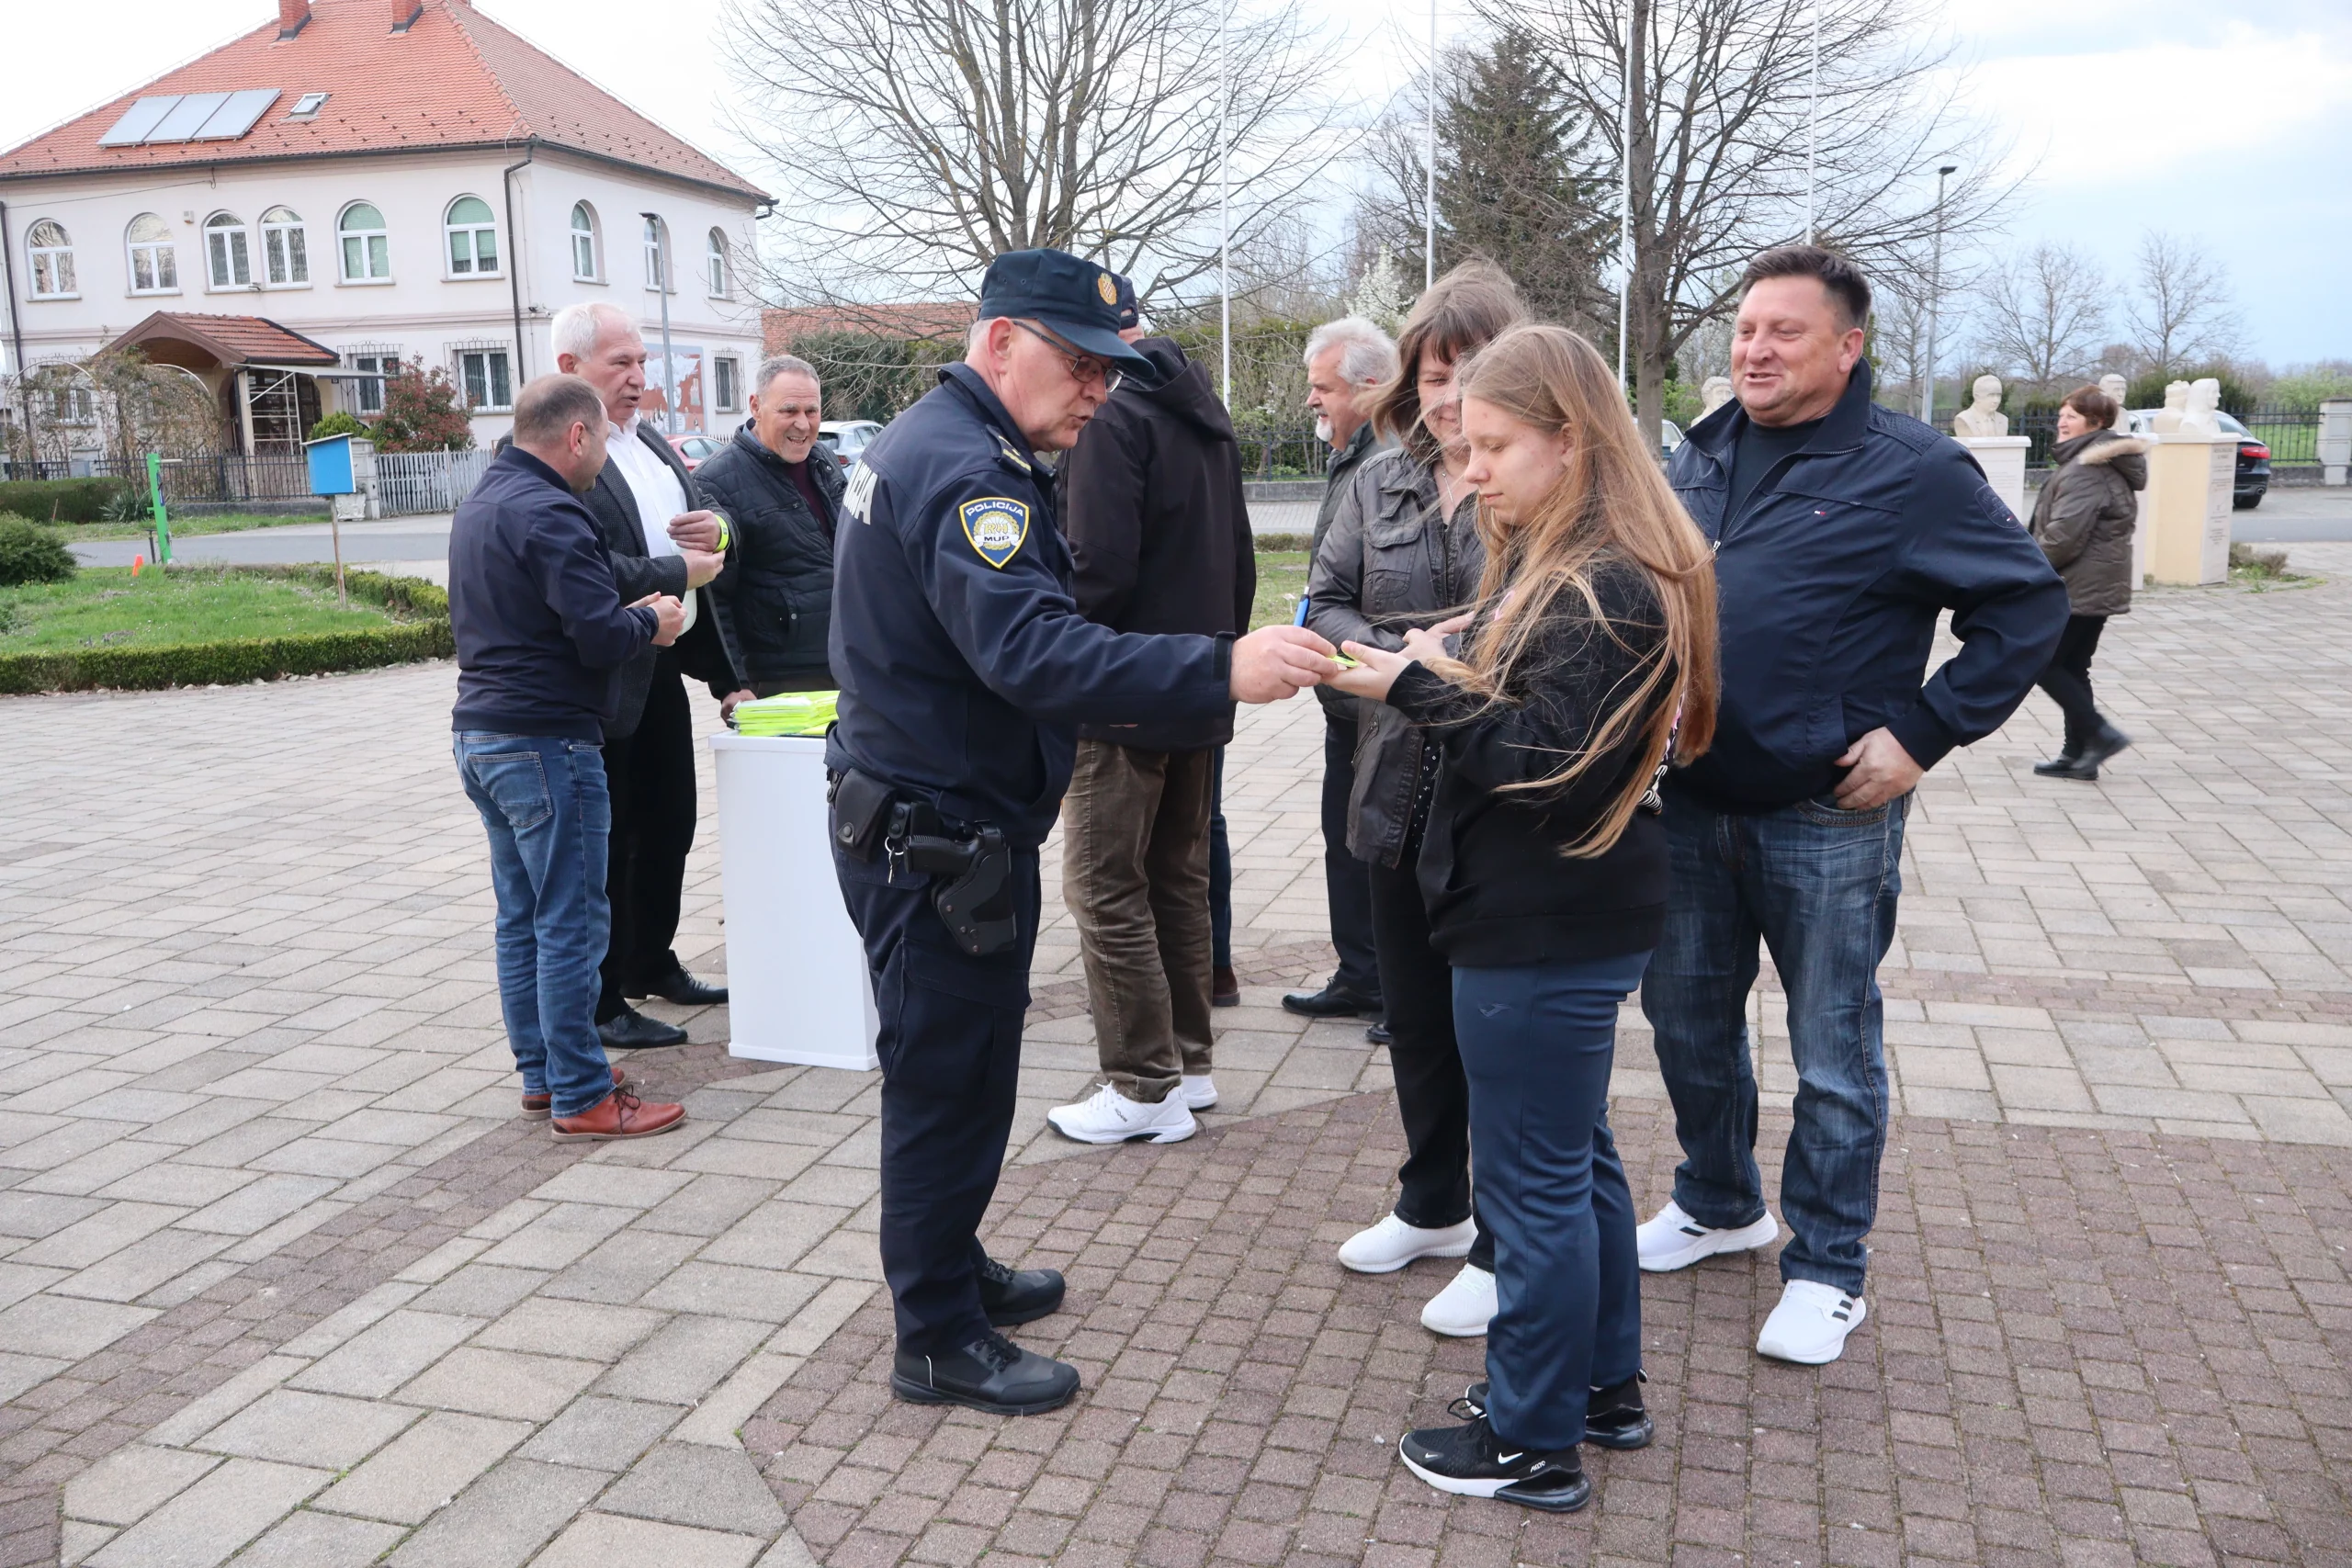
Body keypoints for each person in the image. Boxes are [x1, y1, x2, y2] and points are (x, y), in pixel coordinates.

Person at [825, 248, 1336, 1417]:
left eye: (1111, 367)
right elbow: (1037, 653)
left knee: (963, 1070)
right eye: (1079, 363)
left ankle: (951, 1270)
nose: (1100, 390)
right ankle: (938, 1337)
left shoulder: (946, 441)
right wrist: (1222, 666)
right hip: (936, 835)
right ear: (1001, 340)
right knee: (946, 1086)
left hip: (926, 819)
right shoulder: (974, 477)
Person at [1644, 246, 2067, 1364]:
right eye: (1744, 330)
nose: (1755, 350)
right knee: (1685, 1022)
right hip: (1687, 799)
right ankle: (1717, 1201)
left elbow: (2026, 604)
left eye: (1784, 332)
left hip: (1825, 812)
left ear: (1848, 346)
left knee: (1830, 1046)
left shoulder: (1912, 470)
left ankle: (1828, 1267)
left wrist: (1925, 733)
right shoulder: (1698, 455)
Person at [1329, 321, 1716, 1511]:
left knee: (1533, 1185)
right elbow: (1545, 720)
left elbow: (1548, 765)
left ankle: (1531, 1437)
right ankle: (1603, 1386)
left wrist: (1415, 685)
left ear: (1571, 437)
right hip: (1556, 913)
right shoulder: (1579, 559)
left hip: (1542, 919)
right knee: (1577, 1161)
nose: (1475, 466)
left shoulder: (1601, 582)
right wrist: (1444, 660)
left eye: (1496, 444)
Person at [1307, 263, 1524, 1338]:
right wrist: (1391, 653)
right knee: (1415, 1015)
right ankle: (1432, 1200)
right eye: (1433, 374)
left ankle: (1504, 1235)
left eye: (1468, 372)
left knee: (1496, 1025)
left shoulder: (1531, 477)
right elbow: (1326, 600)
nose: (1447, 399)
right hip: (1390, 775)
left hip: (1493, 787)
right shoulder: (1375, 479)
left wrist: (1452, 661)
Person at [447, 373, 690, 1142]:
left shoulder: (484, 499)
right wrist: (652, 619)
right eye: (602, 442)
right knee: (572, 922)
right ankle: (583, 1093)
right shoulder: (555, 511)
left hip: (481, 734)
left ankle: (545, 1072)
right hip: (547, 740)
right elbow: (596, 633)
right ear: (577, 435)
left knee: (521, 916)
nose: (604, 459)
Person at [1046, 282, 1256, 1145]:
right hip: (1198, 678)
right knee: (1177, 875)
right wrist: (1222, 660)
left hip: (1123, 688)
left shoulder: (1114, 418)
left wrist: (1066, 661)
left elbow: (1095, 566)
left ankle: (1139, 1082)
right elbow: (1240, 554)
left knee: (1104, 881)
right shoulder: (1200, 409)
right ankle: (1186, 1063)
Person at [548, 302, 742, 1052]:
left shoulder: (650, 440)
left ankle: (649, 958)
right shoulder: (561, 454)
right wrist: (676, 568)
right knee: (609, 838)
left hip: (660, 661)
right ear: (570, 370)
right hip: (601, 674)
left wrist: (718, 532)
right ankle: (601, 998)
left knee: (669, 823)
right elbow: (592, 567)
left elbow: (709, 525)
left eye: (640, 362)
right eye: (619, 364)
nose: (638, 378)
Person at [1282, 315, 1399, 1028]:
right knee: (1342, 838)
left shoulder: (1392, 462)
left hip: (1382, 697)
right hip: (1344, 698)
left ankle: (1395, 985)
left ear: (1371, 386)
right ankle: (1362, 974)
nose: (1311, 401)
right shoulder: (1352, 455)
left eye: (1322, 387)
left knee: (1380, 847)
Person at [695, 355, 843, 706]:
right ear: (756, 406)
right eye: (789, 411)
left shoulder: (822, 460)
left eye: (812, 411)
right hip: (779, 679)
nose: (803, 425)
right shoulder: (715, 481)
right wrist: (732, 682)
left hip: (846, 660)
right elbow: (714, 595)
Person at [2027, 384, 2143, 781]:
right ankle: (2078, 753)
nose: (2062, 421)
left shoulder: (2087, 470)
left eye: (2072, 416)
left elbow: (2064, 535)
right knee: (2073, 667)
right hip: (2093, 582)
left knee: (2044, 662)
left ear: (2095, 423)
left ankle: (2099, 734)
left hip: (2078, 585)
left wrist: (2025, 571)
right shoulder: (2092, 463)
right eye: (2062, 413)